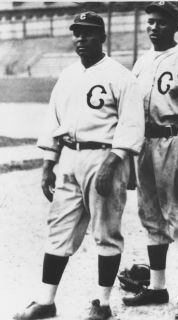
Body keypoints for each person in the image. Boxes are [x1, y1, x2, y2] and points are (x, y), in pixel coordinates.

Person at [13, 11, 144, 320]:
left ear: (102, 37)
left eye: (87, 33)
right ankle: (46, 301)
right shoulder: (68, 75)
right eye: (77, 33)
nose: (81, 39)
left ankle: (102, 303)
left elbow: (131, 125)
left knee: (106, 231)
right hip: (70, 156)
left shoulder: (120, 76)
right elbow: (53, 121)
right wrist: (49, 163)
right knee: (58, 228)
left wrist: (114, 162)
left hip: (105, 157)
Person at [122, 2, 178, 320]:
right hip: (145, 145)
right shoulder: (142, 62)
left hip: (174, 142)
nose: (153, 27)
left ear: (174, 26)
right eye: (150, 22)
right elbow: (131, 112)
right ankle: (157, 287)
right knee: (151, 217)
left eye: (160, 22)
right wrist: (131, 156)